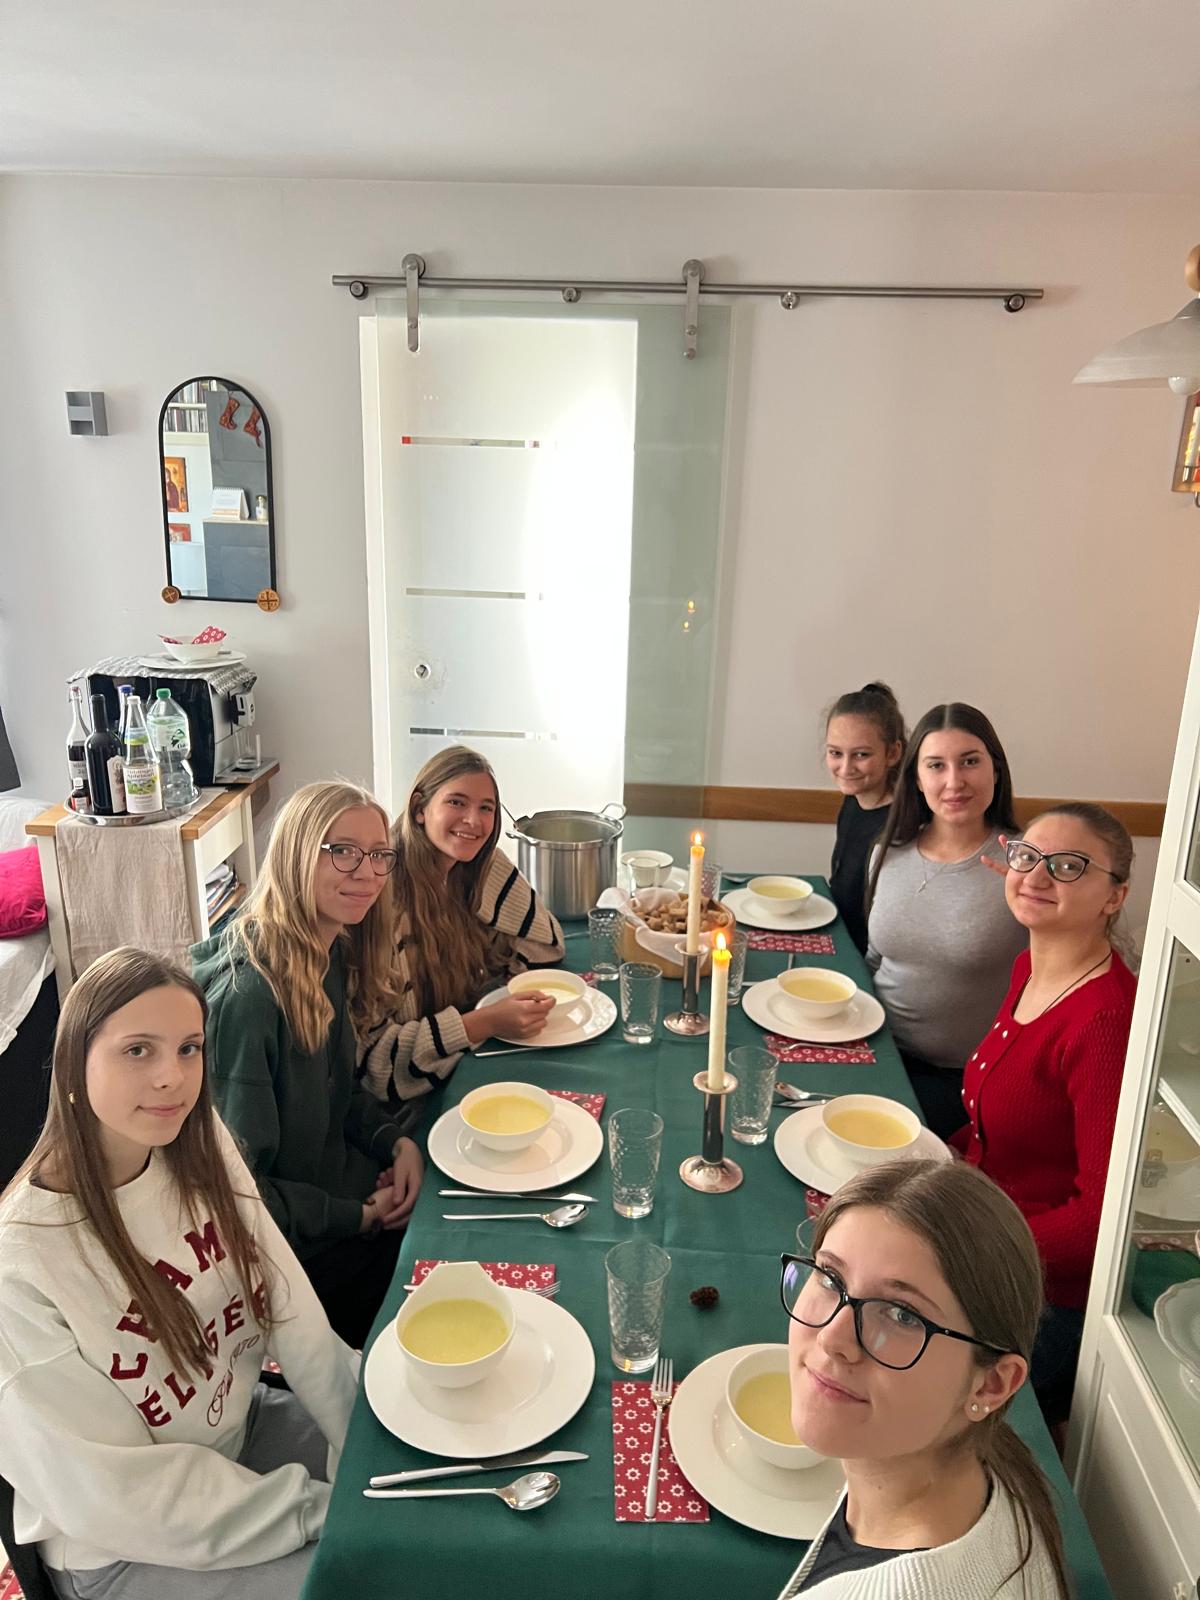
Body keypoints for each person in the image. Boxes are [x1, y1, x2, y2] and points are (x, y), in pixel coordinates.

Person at [0, 947, 357, 1600]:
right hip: (124, 1547)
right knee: (371, 1576)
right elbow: (118, 1497)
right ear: (74, 1061)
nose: (172, 1078)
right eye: (138, 1050)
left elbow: (288, 1304)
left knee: (414, 1479)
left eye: (189, 1048)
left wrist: (357, 1434)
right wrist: (321, 1511)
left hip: (236, 1436)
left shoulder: (193, 1139)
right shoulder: (20, 1267)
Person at [193, 781, 421, 1348]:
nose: (367, 873)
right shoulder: (247, 998)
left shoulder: (327, 949)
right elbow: (240, 1196)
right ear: (296, 852)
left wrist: (397, 1143)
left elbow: (338, 1094)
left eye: (379, 855)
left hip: (343, 1206)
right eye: (342, 851)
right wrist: (360, 1217)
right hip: (296, 1258)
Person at [778, 1159, 1068, 1598]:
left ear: (990, 1384)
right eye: (831, 1279)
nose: (832, 1338)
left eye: (902, 1315)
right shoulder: (990, 1464)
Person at [951, 803, 1136, 1427]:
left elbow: (1098, 1221)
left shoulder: (1104, 1020)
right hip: (984, 1230)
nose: (1034, 875)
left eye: (1067, 866)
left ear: (1114, 896)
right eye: (1026, 856)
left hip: (1044, 1295)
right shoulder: (1030, 966)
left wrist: (974, 1247)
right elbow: (997, 1127)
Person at [359, 746, 565, 1111]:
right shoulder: (383, 896)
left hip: (460, 1066)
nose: (474, 821)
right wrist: (484, 1021)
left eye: (486, 808)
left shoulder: (472, 868)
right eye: (457, 802)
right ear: (419, 808)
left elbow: (547, 943)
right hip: (405, 1110)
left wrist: (487, 863)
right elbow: (377, 1066)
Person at [865, 704, 1026, 1140]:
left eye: (970, 761)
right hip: (878, 1053)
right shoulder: (888, 852)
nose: (954, 781)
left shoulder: (1023, 865)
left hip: (967, 1082)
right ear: (917, 779)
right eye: (936, 765)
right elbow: (876, 958)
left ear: (996, 769)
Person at [824, 683, 907, 954]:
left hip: (867, 961)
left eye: (861, 754)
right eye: (836, 753)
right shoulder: (853, 799)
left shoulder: (904, 824)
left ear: (892, 753)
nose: (846, 768)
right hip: (838, 940)